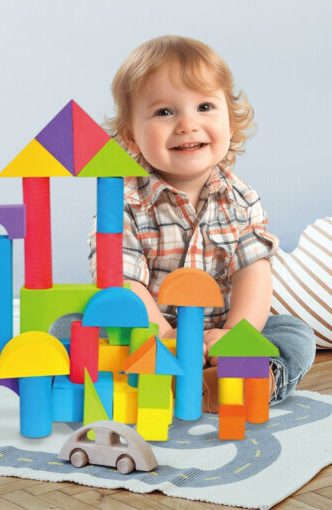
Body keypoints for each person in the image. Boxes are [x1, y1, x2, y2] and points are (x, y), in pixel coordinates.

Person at [88, 35, 315, 412]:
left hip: (223, 329)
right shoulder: (121, 203)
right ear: (131, 136)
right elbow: (124, 283)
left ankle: (252, 380)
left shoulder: (242, 199)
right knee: (73, 325)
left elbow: (253, 274)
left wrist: (235, 334)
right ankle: (159, 378)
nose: (187, 124)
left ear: (231, 122)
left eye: (205, 107)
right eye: (164, 112)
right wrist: (165, 337)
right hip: (150, 337)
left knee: (294, 332)